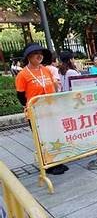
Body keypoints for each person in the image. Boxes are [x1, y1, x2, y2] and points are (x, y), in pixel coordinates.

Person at [15, 43, 68, 175]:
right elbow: (21, 96)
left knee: (54, 135)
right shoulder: (22, 75)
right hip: (36, 112)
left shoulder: (46, 70)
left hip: (50, 110)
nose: (39, 56)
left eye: (41, 53)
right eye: (35, 53)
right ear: (28, 56)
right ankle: (48, 165)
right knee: (42, 138)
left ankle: (57, 161)